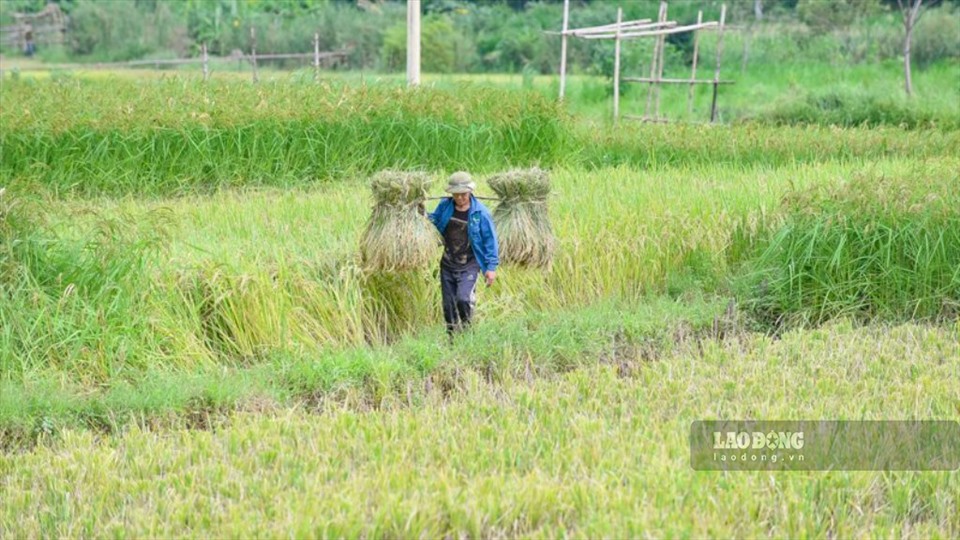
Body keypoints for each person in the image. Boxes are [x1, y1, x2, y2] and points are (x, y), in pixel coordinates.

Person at [426, 171, 499, 336]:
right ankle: (452, 339)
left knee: (464, 299)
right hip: (447, 263)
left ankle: (468, 335)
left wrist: (491, 268)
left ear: (470, 191)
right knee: (448, 305)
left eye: (463, 194)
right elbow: (435, 221)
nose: (459, 198)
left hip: (469, 264)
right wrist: (420, 213)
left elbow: (490, 241)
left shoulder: (481, 213)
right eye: (456, 195)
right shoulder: (445, 206)